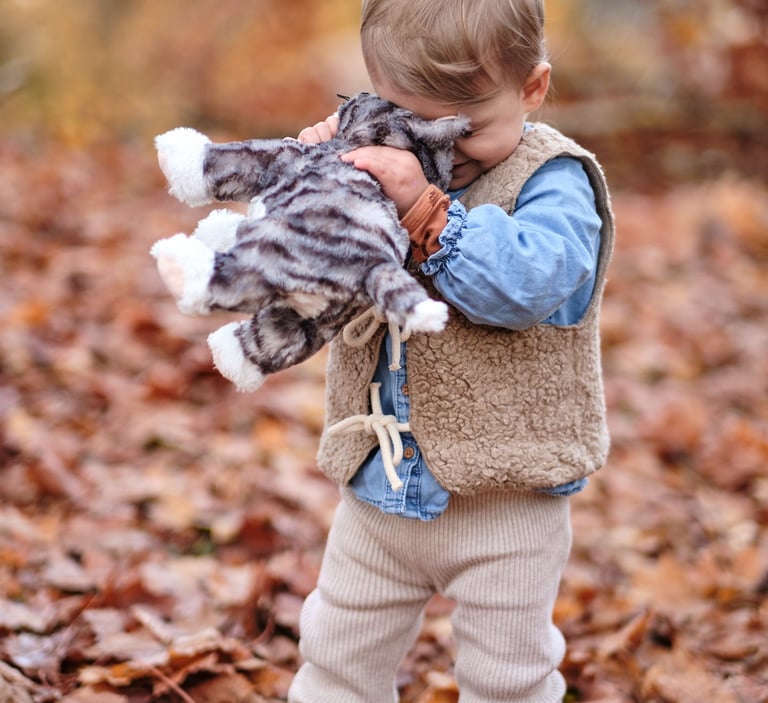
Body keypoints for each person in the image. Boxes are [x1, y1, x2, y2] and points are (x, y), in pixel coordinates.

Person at [289, 1, 614, 701]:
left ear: (532, 88)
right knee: (335, 654)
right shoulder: (388, 161)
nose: (438, 149)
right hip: (380, 486)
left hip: (506, 497)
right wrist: (326, 175)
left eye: (464, 129)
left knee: (507, 677)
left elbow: (529, 281)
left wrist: (428, 212)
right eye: (409, 123)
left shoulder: (554, 180)